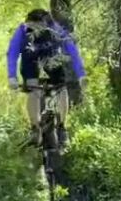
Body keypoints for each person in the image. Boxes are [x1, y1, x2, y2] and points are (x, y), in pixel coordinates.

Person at [7, 8, 85, 148]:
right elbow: (12, 52)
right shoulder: (22, 31)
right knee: (33, 90)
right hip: (30, 61)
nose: (34, 30)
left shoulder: (56, 29)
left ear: (45, 24)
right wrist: (11, 76)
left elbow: (72, 50)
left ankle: (62, 127)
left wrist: (81, 75)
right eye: (31, 27)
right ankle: (35, 129)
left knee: (61, 88)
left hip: (51, 59)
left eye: (37, 27)